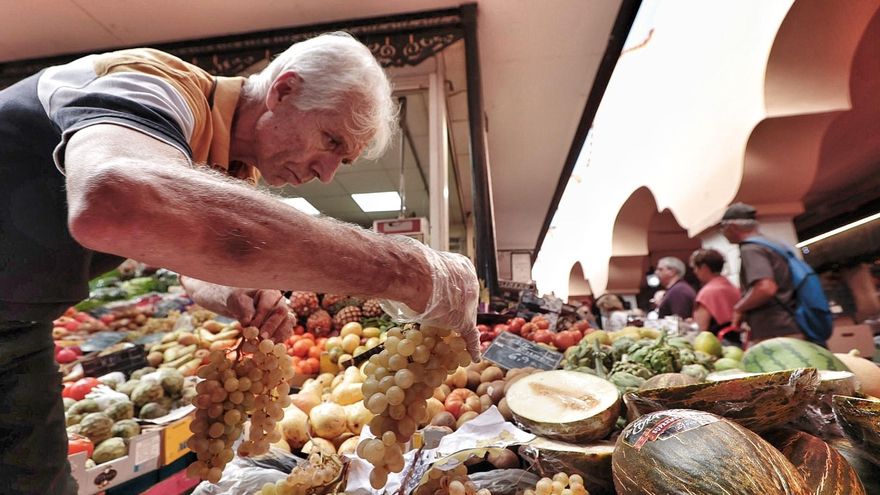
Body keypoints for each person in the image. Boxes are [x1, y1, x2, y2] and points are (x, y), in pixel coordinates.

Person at [0, 33, 479, 494]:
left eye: (343, 161)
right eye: (331, 141)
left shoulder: (228, 171)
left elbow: (187, 263)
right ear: (284, 89)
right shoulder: (153, 82)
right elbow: (116, 200)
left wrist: (231, 289)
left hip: (18, 328)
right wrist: (407, 271)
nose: (325, 172)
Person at [720, 202, 800, 342]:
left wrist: (739, 308)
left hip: (776, 332)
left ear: (731, 227)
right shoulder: (772, 244)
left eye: (722, 228)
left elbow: (766, 288)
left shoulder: (751, 249)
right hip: (791, 325)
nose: (722, 233)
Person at [689, 249, 741, 335]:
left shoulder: (707, 293)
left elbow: (701, 329)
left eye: (695, 268)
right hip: (736, 340)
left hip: (716, 343)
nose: (695, 272)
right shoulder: (732, 287)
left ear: (703, 267)